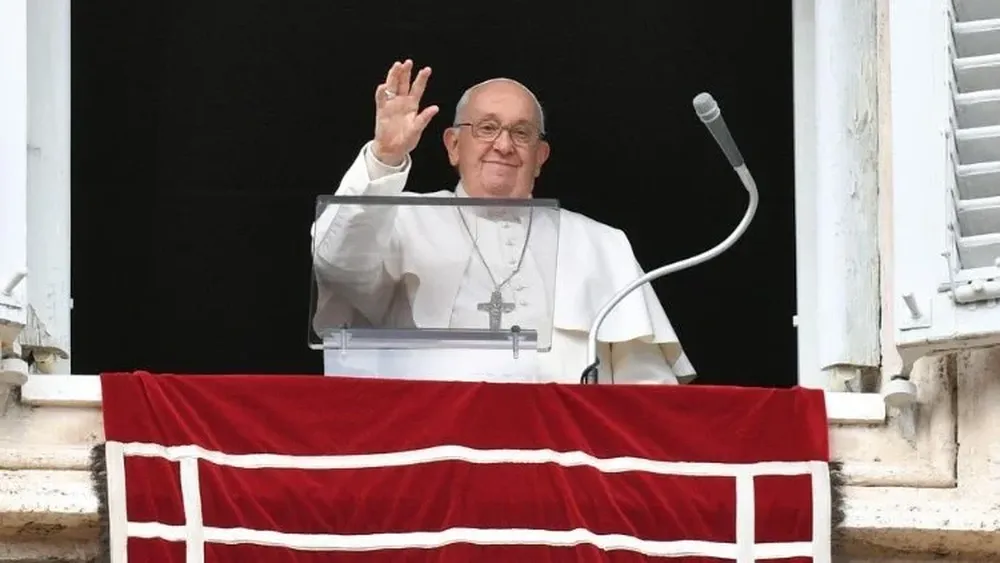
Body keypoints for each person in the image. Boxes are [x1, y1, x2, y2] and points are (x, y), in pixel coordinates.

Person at [311, 59, 694, 385]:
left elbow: (646, 387)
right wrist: (385, 156)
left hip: (563, 459)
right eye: (487, 128)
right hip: (434, 454)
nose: (504, 145)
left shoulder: (601, 244)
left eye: (521, 133)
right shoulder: (402, 219)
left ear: (541, 155)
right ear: (453, 146)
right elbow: (339, 266)